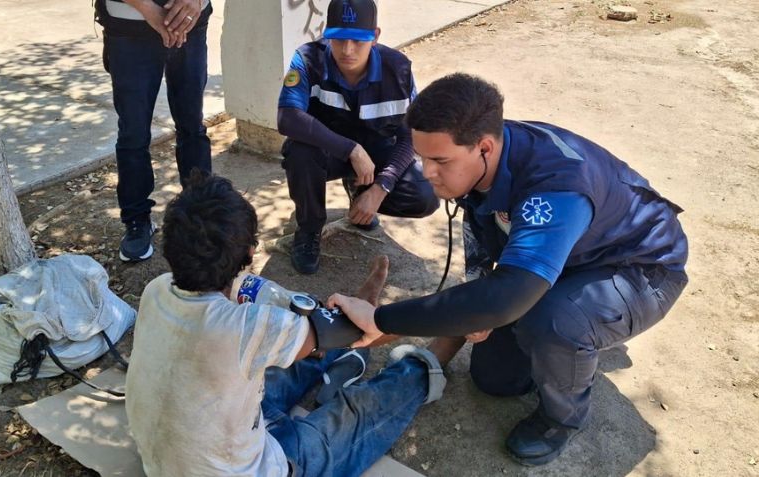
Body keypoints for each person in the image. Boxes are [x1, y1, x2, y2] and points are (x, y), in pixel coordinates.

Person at [329, 73, 690, 466]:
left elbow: (508, 295)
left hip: (638, 266)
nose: (426, 172)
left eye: (439, 160)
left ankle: (562, 418)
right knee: (495, 380)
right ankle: (566, 342)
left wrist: (382, 318)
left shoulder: (555, 187)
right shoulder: (486, 156)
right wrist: (480, 295)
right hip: (572, 257)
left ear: (484, 146)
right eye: (421, 157)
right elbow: (483, 231)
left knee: (554, 323)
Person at [125, 171, 452, 477]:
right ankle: (434, 358)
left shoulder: (158, 289)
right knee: (355, 416)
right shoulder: (249, 329)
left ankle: (348, 336)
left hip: (164, 462)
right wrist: (440, 316)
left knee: (282, 357)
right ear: (251, 253)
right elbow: (364, 332)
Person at [277, 0, 439, 275]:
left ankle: (360, 191)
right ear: (327, 33)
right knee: (299, 151)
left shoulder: (398, 69)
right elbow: (287, 118)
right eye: (338, 39)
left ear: (375, 36)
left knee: (425, 195)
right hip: (330, 152)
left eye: (358, 40)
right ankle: (309, 229)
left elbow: (409, 135)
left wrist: (381, 187)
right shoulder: (307, 59)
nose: (347, 50)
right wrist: (351, 149)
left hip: (377, 153)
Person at [94, 0, 213, 262]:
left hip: (190, 20)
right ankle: (137, 221)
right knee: (133, 133)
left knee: (192, 124)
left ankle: (200, 214)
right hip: (128, 26)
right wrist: (148, 9)